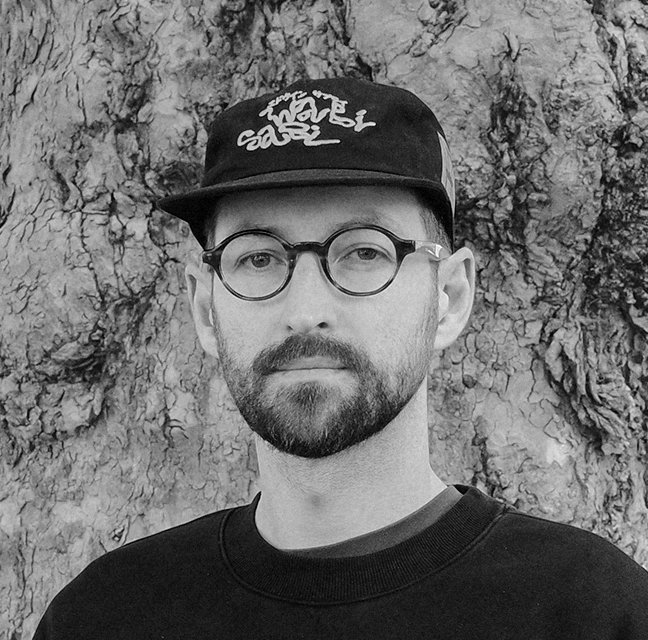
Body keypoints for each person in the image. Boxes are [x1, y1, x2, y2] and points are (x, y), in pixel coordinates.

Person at [34, 78, 648, 639]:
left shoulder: (594, 614)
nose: (306, 310)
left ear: (450, 297)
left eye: (364, 252)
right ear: (204, 308)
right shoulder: (103, 618)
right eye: (257, 257)